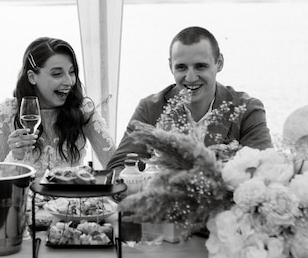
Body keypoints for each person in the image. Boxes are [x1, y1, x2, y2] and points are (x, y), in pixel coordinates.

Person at [107, 26, 272, 169]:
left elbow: (266, 167)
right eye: (181, 67)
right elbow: (118, 168)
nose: (191, 77)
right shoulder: (150, 108)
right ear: (170, 66)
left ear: (219, 63)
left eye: (200, 66)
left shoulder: (247, 109)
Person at [0, 37, 116, 173]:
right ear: (32, 77)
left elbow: (116, 164)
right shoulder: (8, 112)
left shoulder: (83, 109)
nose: (69, 81)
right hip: (24, 194)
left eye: (72, 72)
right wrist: (16, 155)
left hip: (71, 194)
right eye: (57, 74)